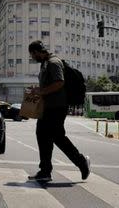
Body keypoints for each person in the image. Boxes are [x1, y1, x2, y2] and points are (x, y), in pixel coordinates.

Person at [27, 40, 90, 182]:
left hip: (57, 108)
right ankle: (45, 171)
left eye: (32, 55)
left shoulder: (53, 62)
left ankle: (82, 162)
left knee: (57, 137)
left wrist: (41, 91)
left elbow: (59, 82)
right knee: (42, 136)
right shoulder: (45, 64)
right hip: (48, 107)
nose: (32, 58)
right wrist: (37, 91)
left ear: (37, 52)